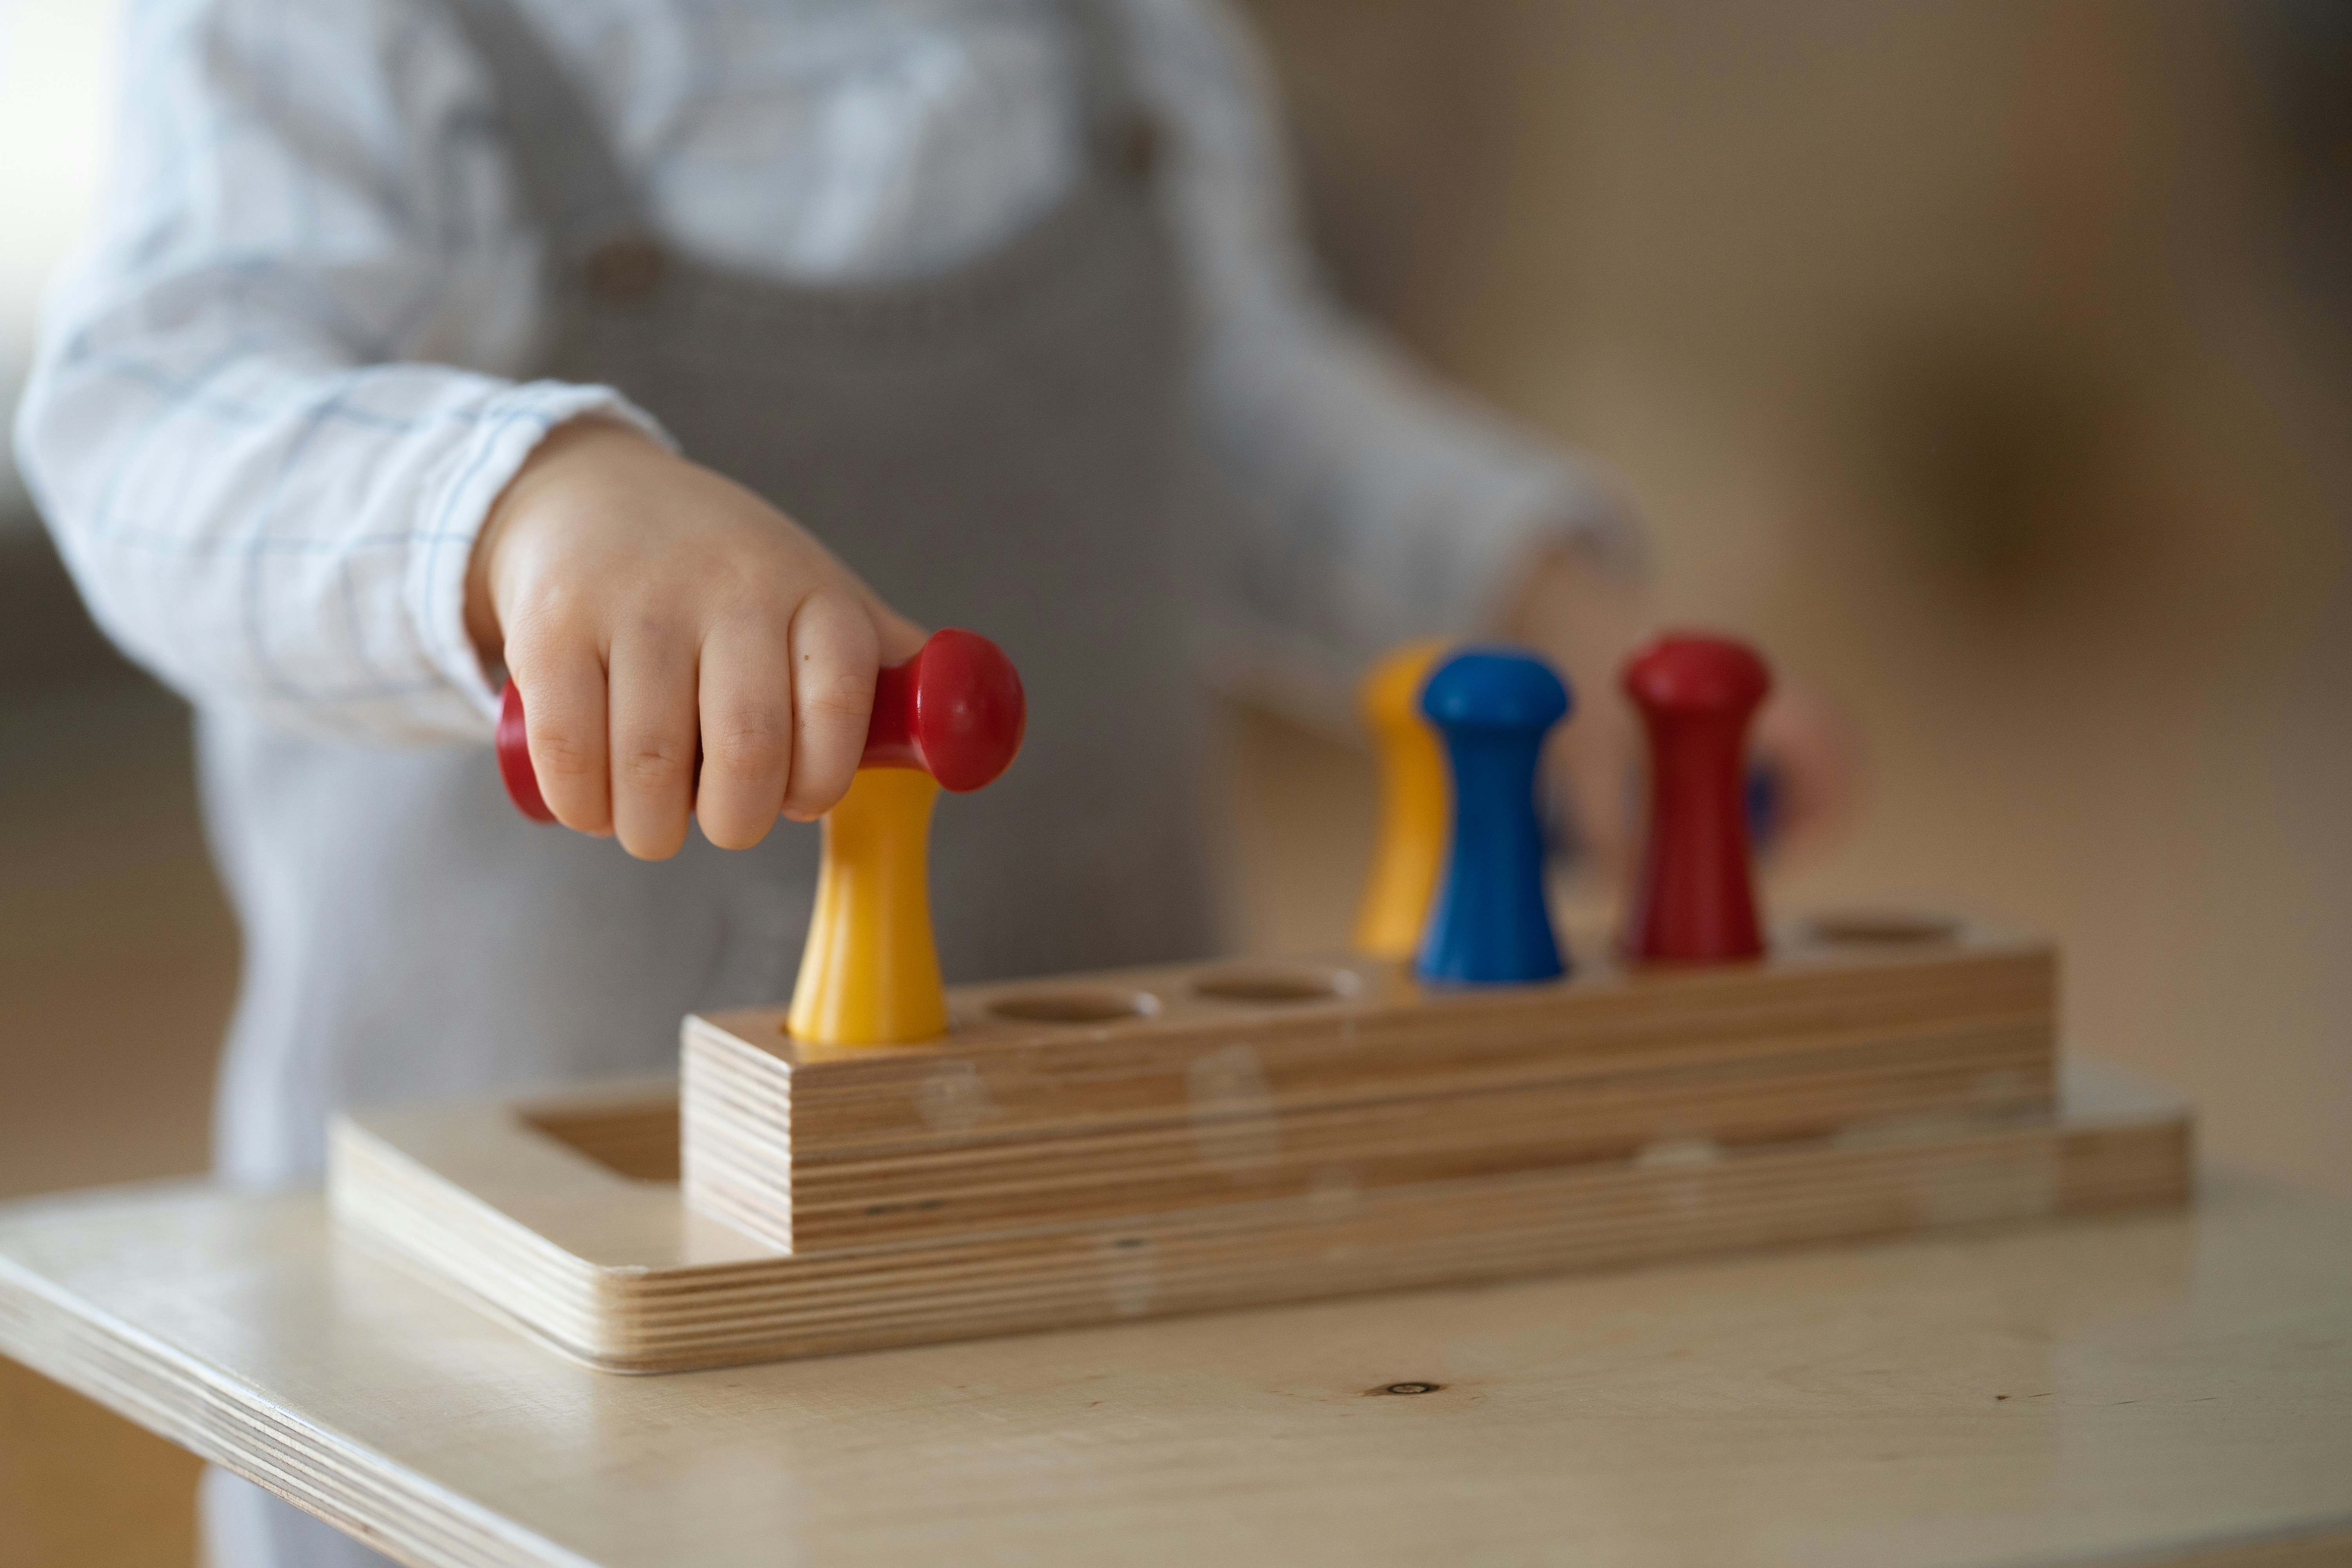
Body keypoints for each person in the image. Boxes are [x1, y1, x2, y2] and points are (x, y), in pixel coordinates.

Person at [16, 0, 1834, 1562]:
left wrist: (1529, 596)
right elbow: (146, 416)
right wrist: (516, 508)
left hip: (1088, 1263)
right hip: (516, 1354)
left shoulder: (1111, 34)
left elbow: (1224, 397)